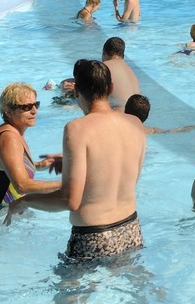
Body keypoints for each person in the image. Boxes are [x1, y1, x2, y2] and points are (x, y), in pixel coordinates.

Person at [9, 59, 148, 262]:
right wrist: (74, 164)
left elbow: (70, 201)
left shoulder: (77, 129)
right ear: (111, 88)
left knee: (68, 293)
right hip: (131, 230)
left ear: (76, 92)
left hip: (93, 236)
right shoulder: (135, 123)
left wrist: (25, 201)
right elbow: (122, 174)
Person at [0, 83, 62, 214]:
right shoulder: (9, 139)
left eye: (36, 105)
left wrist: (40, 165)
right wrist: (68, 184)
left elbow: (7, 168)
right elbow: (22, 185)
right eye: (27, 107)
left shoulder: (14, 133)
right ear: (8, 111)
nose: (34, 111)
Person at [123, 93, 195, 136]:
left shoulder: (116, 125)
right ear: (146, 116)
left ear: (125, 109)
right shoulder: (148, 130)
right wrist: (192, 127)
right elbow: (171, 131)